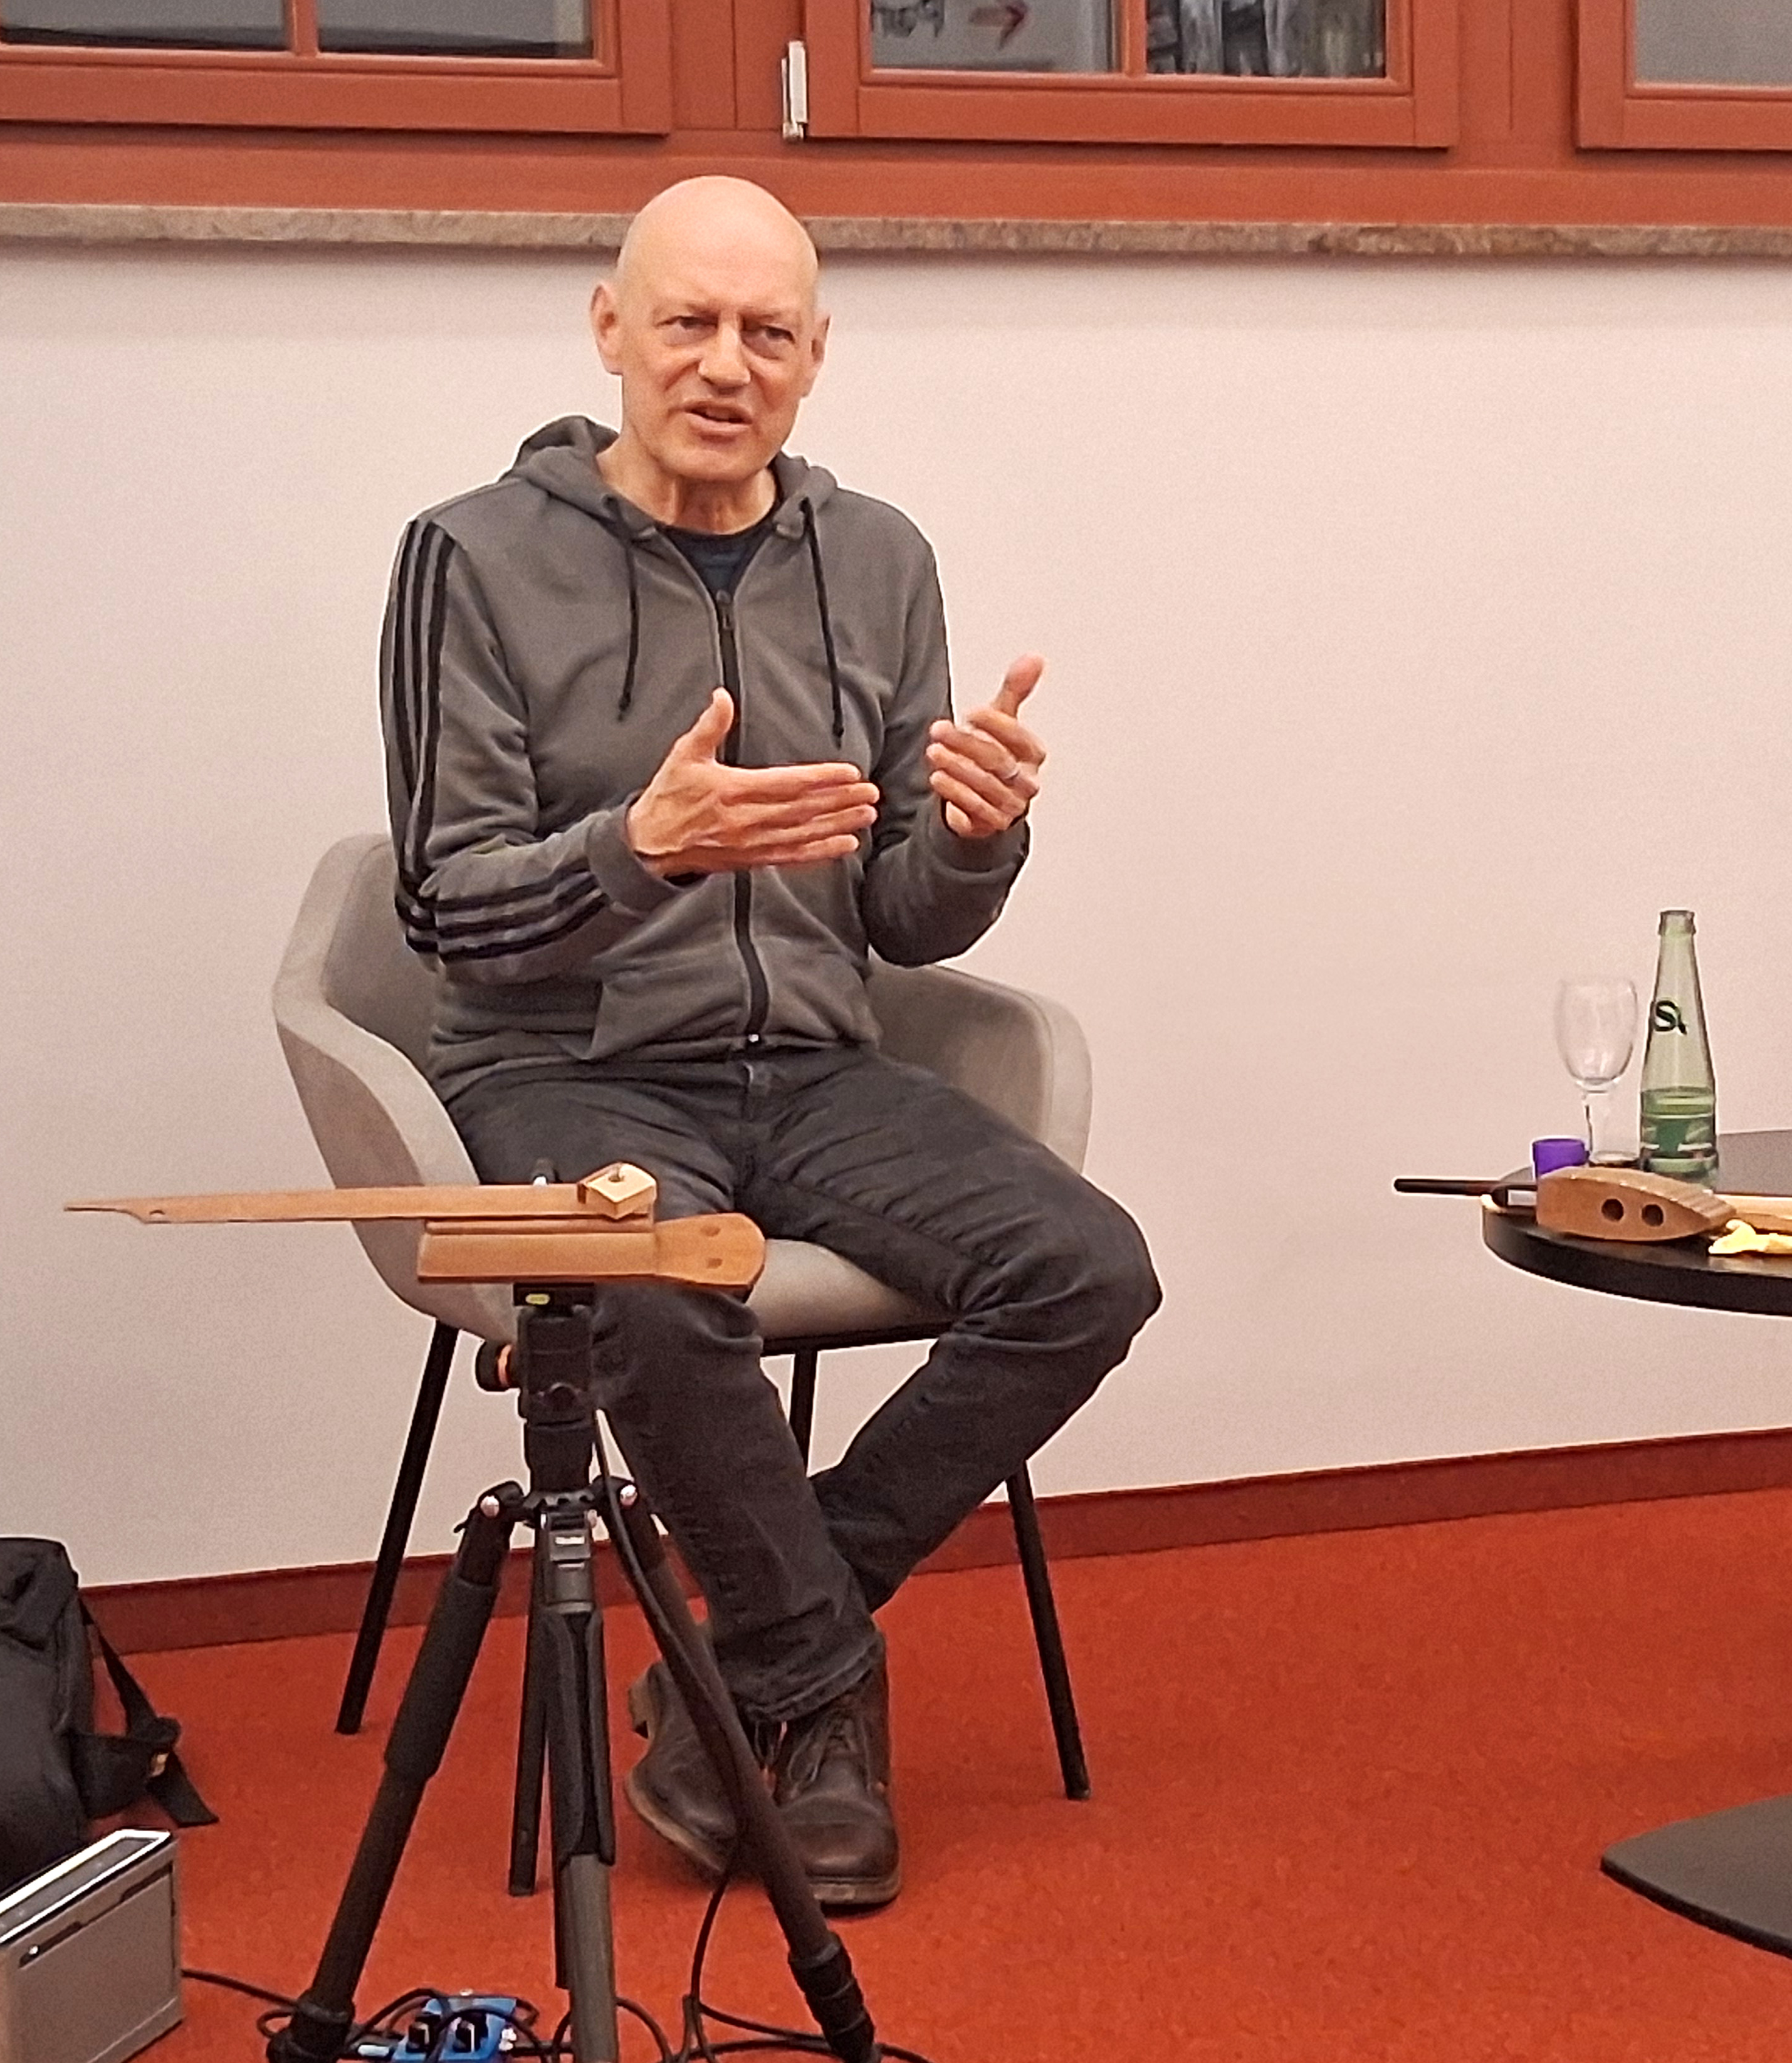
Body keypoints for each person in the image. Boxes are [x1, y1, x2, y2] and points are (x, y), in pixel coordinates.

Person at [377, 175, 1161, 1907]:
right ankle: (816, 1680)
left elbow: (905, 920)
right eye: (688, 322)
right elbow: (444, 907)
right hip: (564, 1069)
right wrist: (640, 848)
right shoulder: (470, 558)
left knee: (1087, 1269)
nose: (725, 364)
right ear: (612, 328)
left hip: (811, 1066)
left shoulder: (878, 559)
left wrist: (975, 835)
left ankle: (748, 1652)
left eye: (767, 332)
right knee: (650, 1292)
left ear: (815, 356)